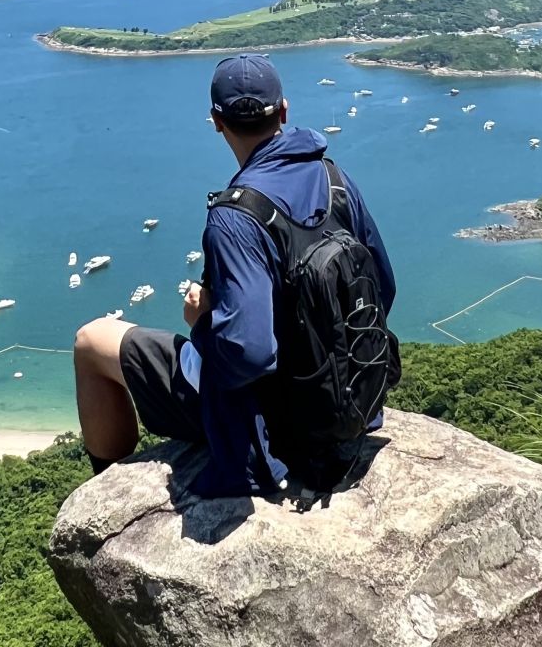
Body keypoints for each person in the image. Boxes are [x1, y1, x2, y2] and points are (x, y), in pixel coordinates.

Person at [73, 53, 396, 496]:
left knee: (91, 342)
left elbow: (249, 355)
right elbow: (384, 288)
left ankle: (104, 488)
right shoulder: (334, 179)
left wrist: (202, 321)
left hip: (275, 424)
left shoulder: (237, 216)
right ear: (283, 111)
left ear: (217, 122)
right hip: (349, 398)